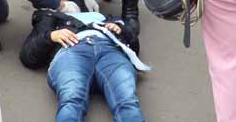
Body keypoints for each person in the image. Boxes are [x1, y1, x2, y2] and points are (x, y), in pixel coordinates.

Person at [19, 10, 149, 122]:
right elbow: (28, 56)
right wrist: (50, 36)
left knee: (126, 100)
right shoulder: (50, 16)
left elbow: (134, 47)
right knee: (72, 99)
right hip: (72, 51)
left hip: (110, 50)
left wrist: (122, 31)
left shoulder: (107, 18)